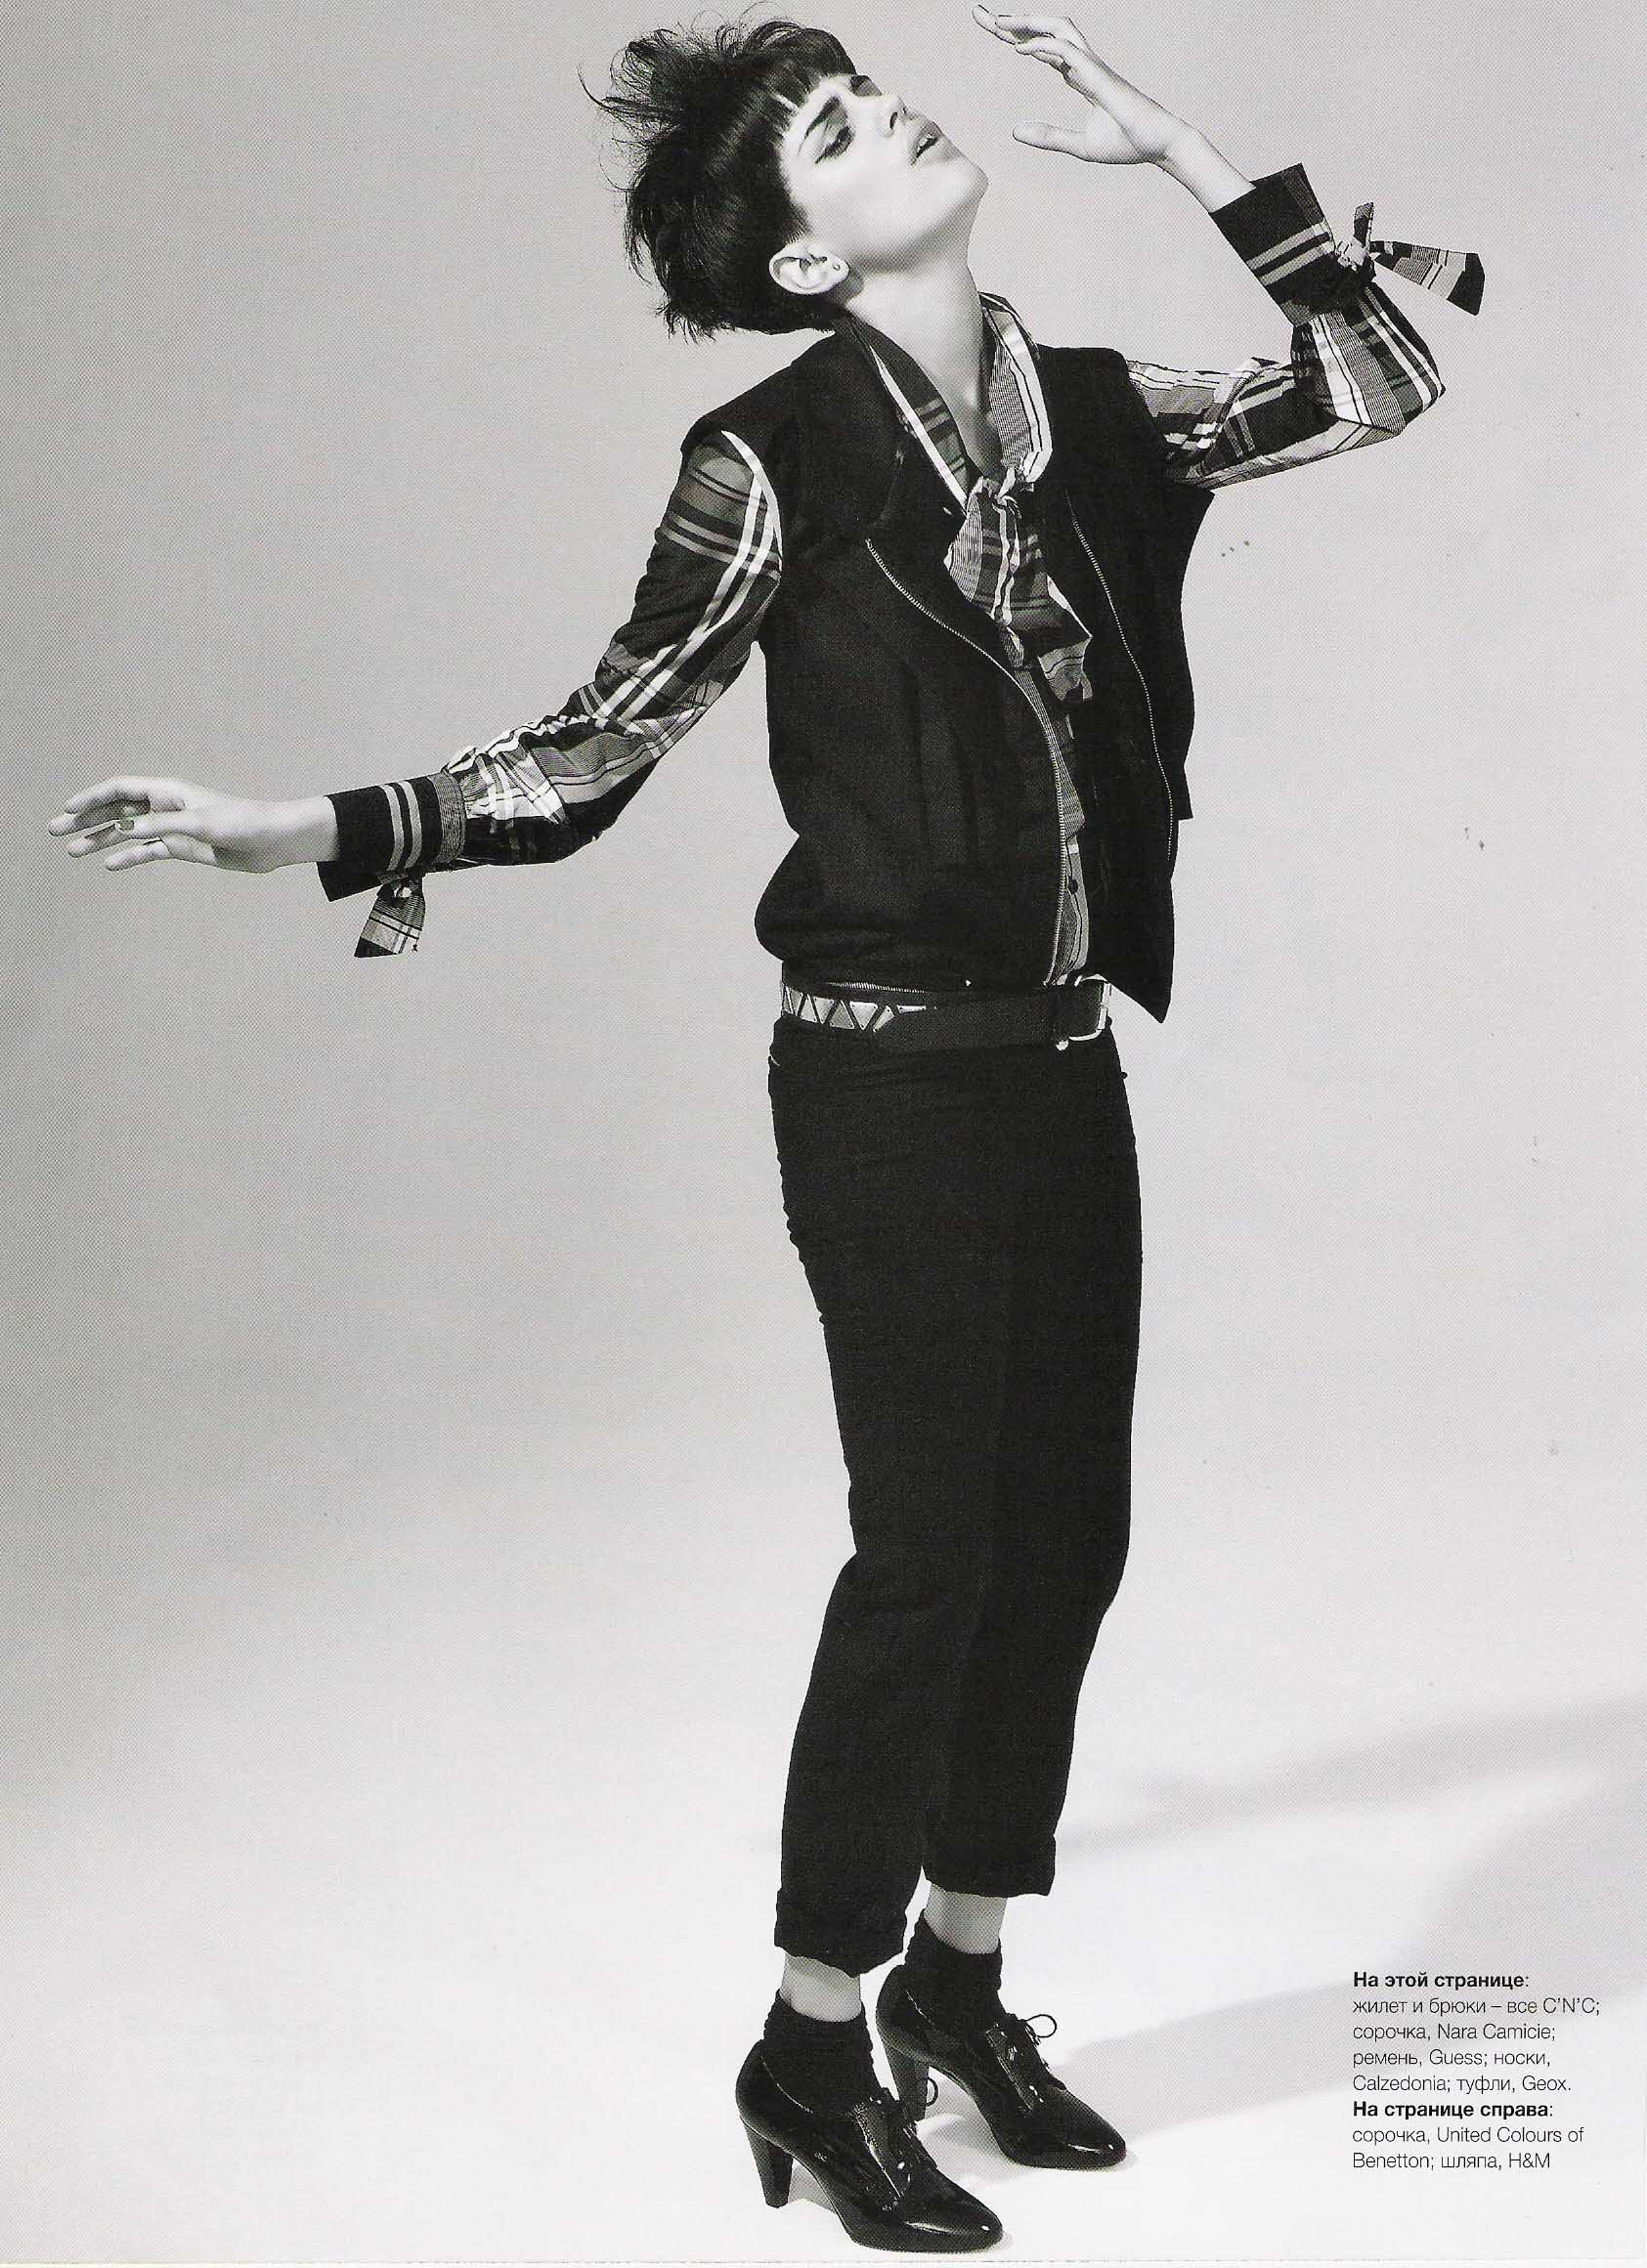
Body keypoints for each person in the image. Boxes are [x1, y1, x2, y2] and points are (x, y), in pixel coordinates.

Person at [47, 7, 1482, 2250]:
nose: (888, 109)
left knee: (1063, 1543)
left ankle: (961, 1991)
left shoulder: (1099, 410)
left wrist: (1188, 149)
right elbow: (589, 753)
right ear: (806, 260)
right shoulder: (772, 458)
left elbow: (1375, 381)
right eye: (836, 127)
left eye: (861, 90)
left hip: (1063, 1057)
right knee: (929, 1558)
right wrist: (308, 827)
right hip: (885, 1077)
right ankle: (812, 2045)